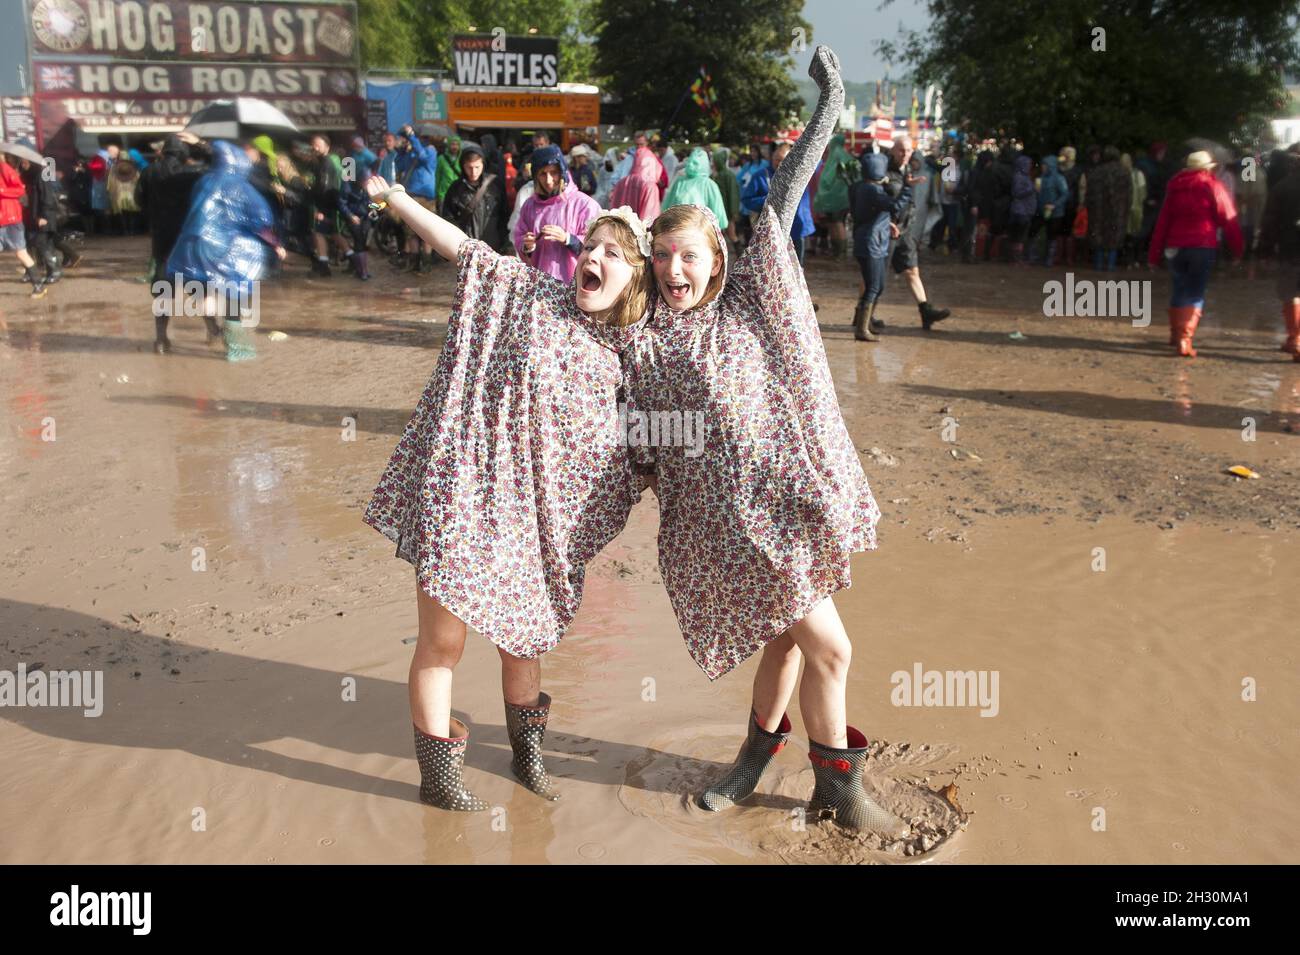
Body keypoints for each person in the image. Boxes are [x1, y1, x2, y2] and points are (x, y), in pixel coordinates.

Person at [622, 47, 908, 836]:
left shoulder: (751, 302)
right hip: (724, 533)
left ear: (716, 260)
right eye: (662, 257)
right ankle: (784, 773)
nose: (674, 269)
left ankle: (814, 782)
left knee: (814, 648)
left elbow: (784, 193)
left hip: (785, 513)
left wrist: (831, 99)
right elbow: (629, 433)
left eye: (689, 255)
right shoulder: (643, 343)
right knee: (800, 645)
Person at [360, 168, 653, 810]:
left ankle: (528, 759)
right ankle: (438, 778)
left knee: (524, 641)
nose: (595, 258)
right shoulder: (524, 293)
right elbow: (459, 247)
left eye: (612, 254)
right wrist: (399, 199)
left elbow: (641, 450)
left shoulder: (627, 360)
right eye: (591, 245)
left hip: (534, 525)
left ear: (633, 280)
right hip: (464, 492)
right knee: (445, 641)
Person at [164, 141, 286, 361]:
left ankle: (212, 328)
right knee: (234, 291)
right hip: (225, 249)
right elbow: (260, 220)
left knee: (203, 289)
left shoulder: (203, 181)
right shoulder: (240, 185)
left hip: (192, 245)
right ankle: (237, 348)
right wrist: (276, 245)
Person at [1148, 150, 1243, 357]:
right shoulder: (1213, 186)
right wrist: (1237, 250)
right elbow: (1229, 219)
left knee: (1178, 288)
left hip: (1174, 246)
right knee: (1195, 292)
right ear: (1208, 168)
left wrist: (1153, 254)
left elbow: (1163, 222)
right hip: (1202, 244)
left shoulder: (1174, 187)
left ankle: (1175, 334)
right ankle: (1185, 339)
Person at [878, 134, 950, 332]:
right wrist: (886, 222)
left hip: (905, 230)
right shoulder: (882, 170)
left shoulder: (909, 169)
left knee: (912, 270)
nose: (905, 154)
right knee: (874, 276)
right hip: (885, 230)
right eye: (901, 150)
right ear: (893, 150)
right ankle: (863, 314)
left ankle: (925, 311)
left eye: (909, 150)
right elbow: (875, 200)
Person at [849, 149, 913, 341]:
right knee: (874, 286)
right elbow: (894, 206)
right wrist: (907, 188)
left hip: (867, 241)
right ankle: (862, 329)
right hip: (872, 244)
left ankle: (865, 323)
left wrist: (888, 223)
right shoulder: (873, 190)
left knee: (877, 285)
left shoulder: (858, 187)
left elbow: (874, 212)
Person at [512, 144, 600, 283]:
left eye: (553, 172)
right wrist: (527, 246)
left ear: (563, 172)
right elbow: (519, 237)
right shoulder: (529, 206)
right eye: (542, 174)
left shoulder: (584, 204)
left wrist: (569, 239)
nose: (548, 180)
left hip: (575, 286)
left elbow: (598, 246)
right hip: (539, 285)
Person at [1257, 152, 1300, 361]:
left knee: (1291, 293)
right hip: (1289, 247)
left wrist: (1264, 249)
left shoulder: (1282, 187)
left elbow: (1269, 222)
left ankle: (1295, 339)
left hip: (1289, 248)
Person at [440, 140, 508, 251]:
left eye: (477, 167)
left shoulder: (495, 184)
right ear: (463, 166)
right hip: (467, 248)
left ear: (483, 165)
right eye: (469, 167)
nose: (473, 172)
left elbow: (504, 214)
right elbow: (448, 217)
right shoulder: (456, 188)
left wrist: (504, 242)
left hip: (493, 247)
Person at [1, 151, 49, 297]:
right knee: (20, 253)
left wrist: (2, 191)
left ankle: (38, 285)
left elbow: (20, 189)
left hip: (10, 219)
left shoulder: (4, 168)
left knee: (21, 252)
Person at [394, 125, 440, 272]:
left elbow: (423, 157)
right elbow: (400, 165)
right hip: (411, 196)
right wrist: (401, 150)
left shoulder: (431, 150)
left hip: (426, 197)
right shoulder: (411, 151)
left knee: (427, 232)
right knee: (410, 231)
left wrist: (412, 138)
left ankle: (426, 264)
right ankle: (414, 263)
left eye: (416, 137)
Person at [1086, 146, 1131, 271]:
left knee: (1098, 235)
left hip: (1098, 209)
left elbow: (1089, 193)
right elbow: (1128, 194)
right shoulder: (1124, 172)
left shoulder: (1096, 172)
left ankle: (1098, 264)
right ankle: (1111, 264)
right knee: (1114, 236)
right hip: (1118, 210)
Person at [662, 147, 728, 228]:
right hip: (677, 229)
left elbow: (718, 213)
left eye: (695, 163)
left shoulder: (709, 184)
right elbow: (668, 206)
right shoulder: (680, 182)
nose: (690, 165)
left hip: (700, 230)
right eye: (689, 161)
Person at [814, 134, 855, 259]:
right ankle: (836, 250)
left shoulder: (839, 159)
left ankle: (840, 252)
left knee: (837, 223)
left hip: (837, 198)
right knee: (833, 223)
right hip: (833, 198)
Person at [609, 145, 663, 225]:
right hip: (639, 234)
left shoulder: (621, 182)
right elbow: (650, 218)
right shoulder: (650, 186)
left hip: (619, 232)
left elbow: (613, 213)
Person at [1034, 154, 1069, 266]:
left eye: (1045, 165)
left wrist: (1055, 205)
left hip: (1055, 213)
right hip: (1041, 211)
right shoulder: (1041, 178)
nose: (1043, 167)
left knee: (1052, 235)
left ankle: (1049, 258)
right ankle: (1037, 255)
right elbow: (1037, 194)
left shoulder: (1059, 178)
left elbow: (1065, 194)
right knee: (1039, 232)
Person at [711, 147, 741, 249]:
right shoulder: (714, 175)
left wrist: (733, 212)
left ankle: (740, 255)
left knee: (731, 234)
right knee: (719, 235)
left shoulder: (728, 175)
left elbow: (733, 194)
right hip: (717, 209)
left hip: (727, 210)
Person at [435, 135, 461, 208]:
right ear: (449, 145)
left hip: (457, 194)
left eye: (457, 144)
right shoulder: (441, 159)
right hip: (443, 194)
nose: (455, 147)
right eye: (453, 144)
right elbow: (437, 176)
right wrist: (437, 193)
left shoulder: (462, 159)